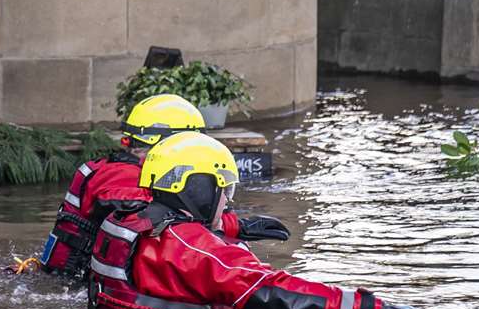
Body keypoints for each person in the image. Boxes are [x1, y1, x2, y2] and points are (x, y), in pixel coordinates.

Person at [82, 131, 438, 309]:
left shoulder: (124, 222)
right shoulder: (197, 250)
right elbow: (276, 292)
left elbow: (173, 239)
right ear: (198, 188)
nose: (227, 201)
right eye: (223, 190)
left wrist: (236, 227)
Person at [24, 93, 289, 281]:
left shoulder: (124, 170)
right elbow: (156, 219)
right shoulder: (121, 176)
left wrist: (232, 225)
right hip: (68, 285)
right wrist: (232, 227)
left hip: (78, 279)